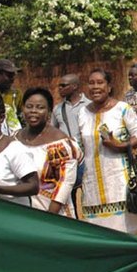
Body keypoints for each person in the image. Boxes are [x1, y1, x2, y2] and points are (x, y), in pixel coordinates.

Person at [78, 69, 137, 234]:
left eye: (100, 82)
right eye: (91, 83)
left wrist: (120, 145)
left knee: (126, 230)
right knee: (98, 233)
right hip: (92, 185)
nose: (95, 87)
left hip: (120, 182)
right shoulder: (83, 112)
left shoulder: (122, 109)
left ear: (109, 87)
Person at [15, 88, 81, 216]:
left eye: (40, 107)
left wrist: (48, 218)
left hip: (53, 215)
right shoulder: (13, 139)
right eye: (29, 106)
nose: (33, 111)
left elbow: (64, 185)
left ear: (49, 112)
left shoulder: (62, 145)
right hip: (19, 213)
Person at [51, 73, 90, 147]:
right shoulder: (57, 108)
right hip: (67, 150)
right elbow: (53, 131)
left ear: (74, 86)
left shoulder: (89, 105)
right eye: (59, 86)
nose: (60, 88)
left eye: (63, 85)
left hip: (87, 150)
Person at [0, 59, 24, 129]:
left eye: (13, 75)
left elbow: (23, 119)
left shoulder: (16, 94)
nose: (12, 79)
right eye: (10, 75)